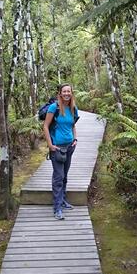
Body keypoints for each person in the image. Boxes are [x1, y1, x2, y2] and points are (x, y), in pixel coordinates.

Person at [43, 83, 78, 220]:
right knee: (58, 177)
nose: (66, 93)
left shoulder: (73, 107)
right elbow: (45, 126)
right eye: (64, 91)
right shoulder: (54, 107)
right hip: (57, 148)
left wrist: (75, 139)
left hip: (70, 146)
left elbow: (73, 125)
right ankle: (57, 208)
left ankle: (62, 200)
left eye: (69, 91)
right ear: (60, 93)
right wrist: (50, 145)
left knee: (64, 176)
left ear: (71, 93)